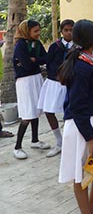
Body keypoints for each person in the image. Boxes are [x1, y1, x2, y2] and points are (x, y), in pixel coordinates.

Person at [57, 19, 93, 214]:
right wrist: (91, 139)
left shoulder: (89, 61)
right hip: (83, 125)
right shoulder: (82, 66)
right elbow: (77, 107)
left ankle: (90, 209)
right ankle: (86, 211)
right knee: (80, 175)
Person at [13, 20, 50, 160]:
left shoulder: (36, 43)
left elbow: (45, 58)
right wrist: (34, 60)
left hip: (36, 78)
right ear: (26, 31)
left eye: (38, 30)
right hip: (25, 81)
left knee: (36, 110)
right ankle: (17, 147)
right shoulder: (20, 46)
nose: (38, 33)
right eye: (35, 31)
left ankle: (35, 140)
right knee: (27, 114)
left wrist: (35, 59)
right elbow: (27, 65)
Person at [37, 19, 74, 157]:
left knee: (69, 112)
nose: (69, 33)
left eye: (71, 30)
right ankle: (59, 141)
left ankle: (70, 141)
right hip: (54, 82)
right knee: (49, 110)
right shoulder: (55, 47)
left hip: (70, 83)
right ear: (61, 31)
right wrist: (56, 75)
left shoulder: (77, 47)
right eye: (66, 30)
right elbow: (49, 63)